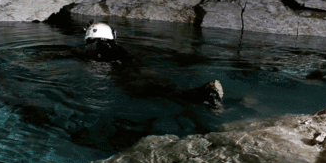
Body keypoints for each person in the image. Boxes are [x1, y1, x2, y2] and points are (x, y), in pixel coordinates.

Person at [73, 22, 224, 107]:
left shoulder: (90, 49)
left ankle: (201, 96)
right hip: (135, 65)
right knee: (158, 84)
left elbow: (66, 54)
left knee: (142, 90)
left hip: (116, 70)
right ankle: (200, 95)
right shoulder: (119, 48)